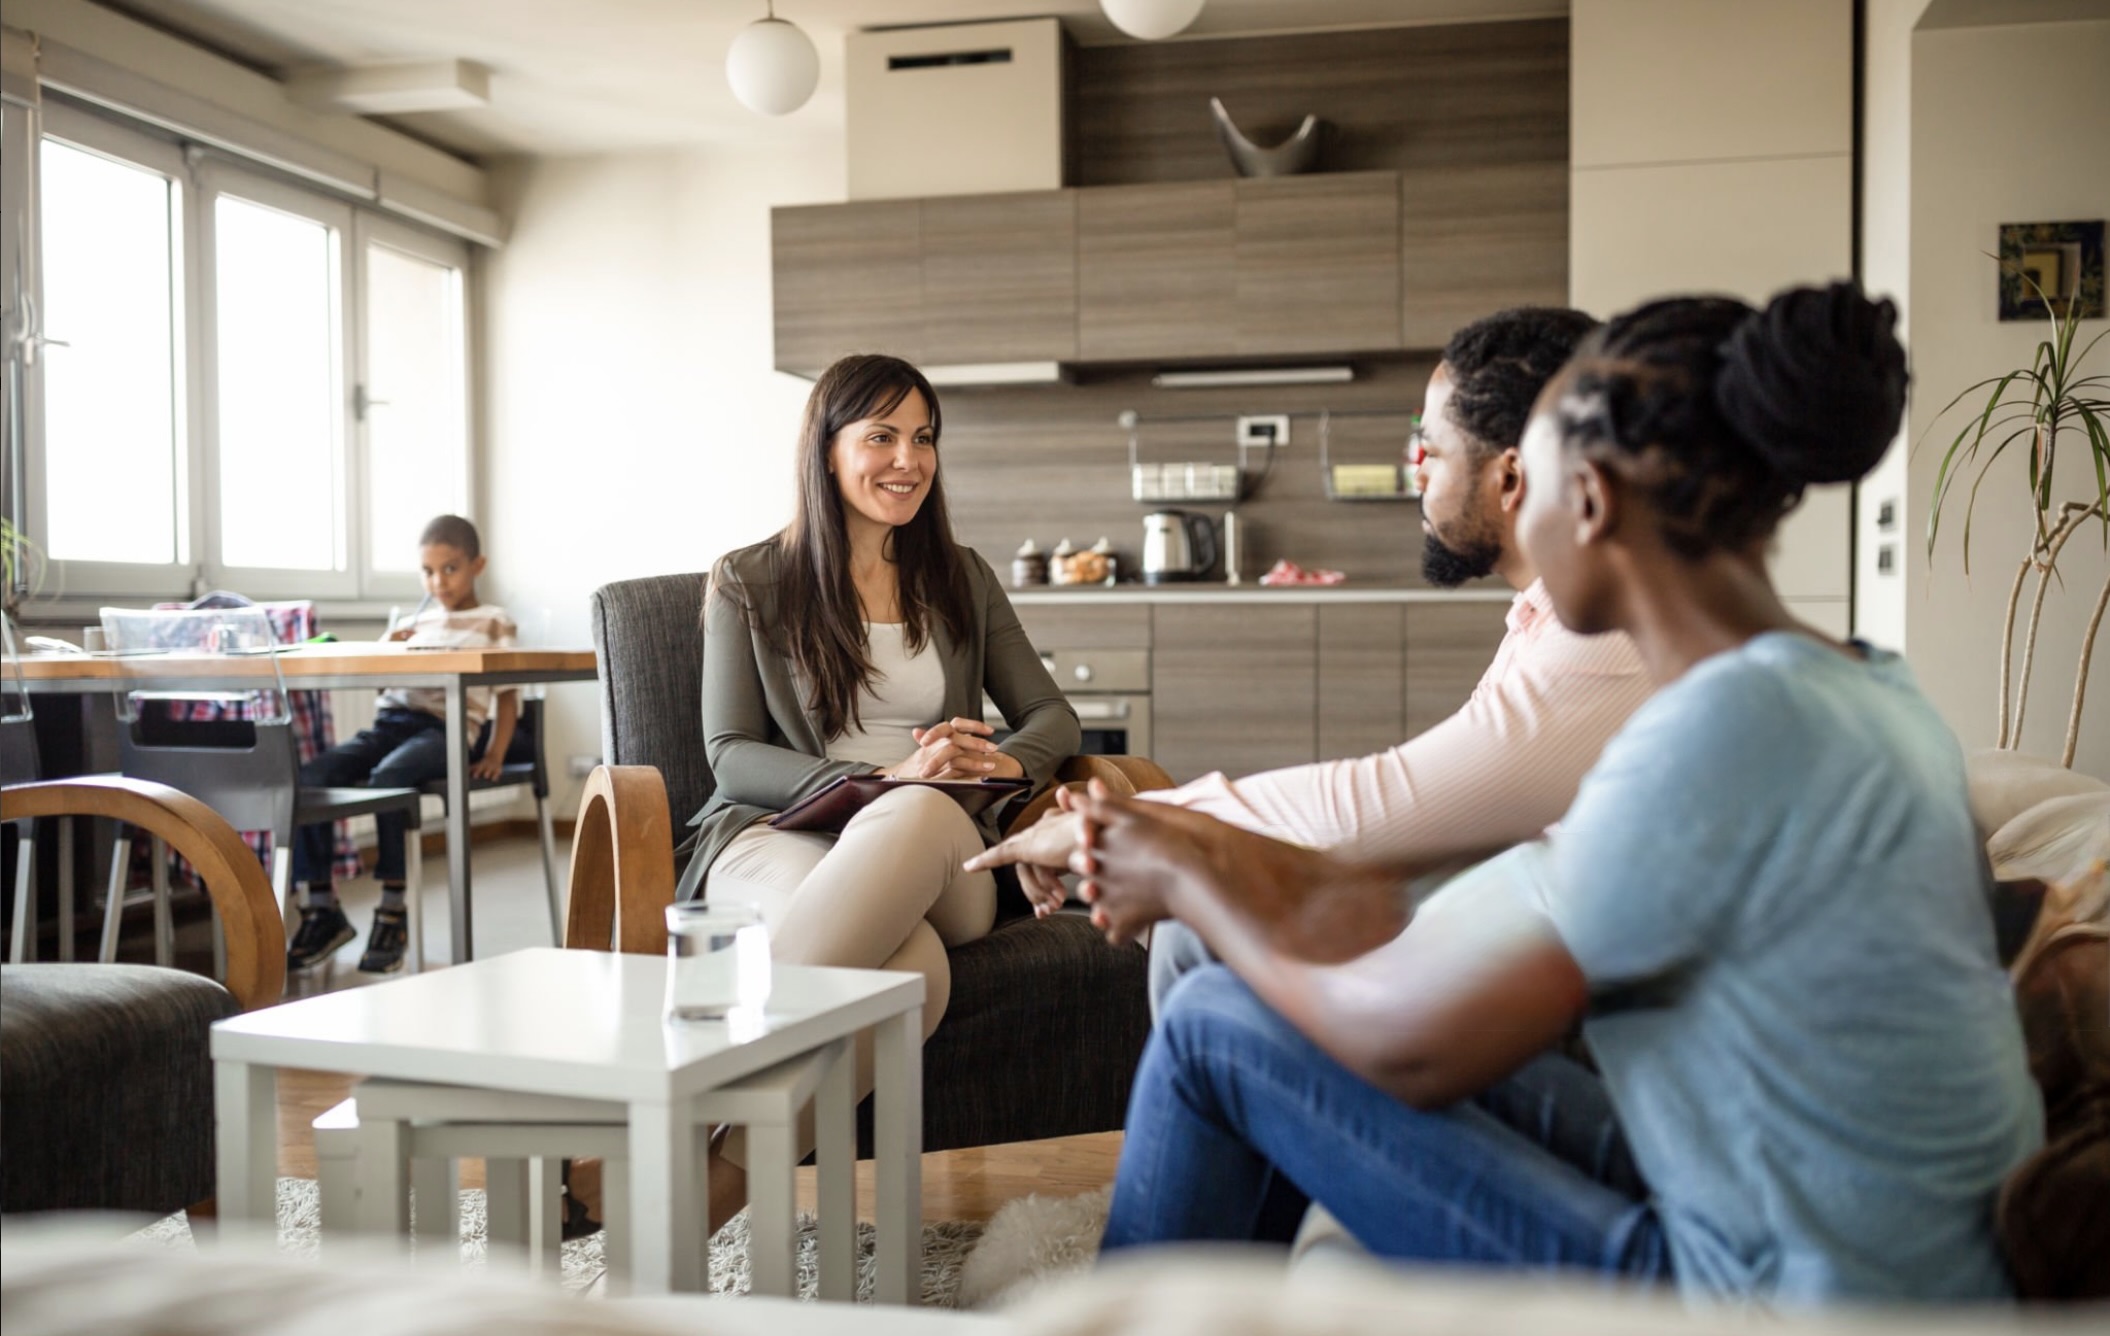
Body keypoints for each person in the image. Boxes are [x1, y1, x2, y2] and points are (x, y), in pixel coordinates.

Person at [1013, 285, 2042, 1305]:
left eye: (1531, 483)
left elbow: (1413, 1054)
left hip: (1771, 1293)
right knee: (1232, 995)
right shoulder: (1862, 684)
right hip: (1839, 1230)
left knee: (1209, 1026)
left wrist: (1193, 884)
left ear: (1585, 501)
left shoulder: (1716, 732)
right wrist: (1215, 868)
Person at [975, 307, 1652, 1010]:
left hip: (1538, 990)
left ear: (1509, 478)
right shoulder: (1547, 620)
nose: (1413, 468)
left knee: (1202, 918)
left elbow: (1397, 797)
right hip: (1502, 935)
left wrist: (1145, 820)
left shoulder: (1602, 635)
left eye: (1431, 447)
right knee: (1203, 912)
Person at [691, 352, 1080, 1230]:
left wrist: (996, 764)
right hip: (780, 832)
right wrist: (876, 777)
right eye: (882, 436)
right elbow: (731, 755)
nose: (908, 459)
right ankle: (694, 1204)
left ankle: (674, 1113)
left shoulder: (962, 577)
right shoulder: (749, 580)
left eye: (924, 438)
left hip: (940, 850)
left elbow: (1053, 717)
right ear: (827, 451)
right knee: (910, 976)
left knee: (912, 812)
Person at [287, 514, 527, 974]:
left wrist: (495, 753)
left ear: (477, 565)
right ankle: (321, 908)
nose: (438, 581)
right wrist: (387, 649)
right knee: (311, 776)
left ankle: (392, 909)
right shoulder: (417, 622)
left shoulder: (495, 621)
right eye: (428, 571)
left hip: (444, 728)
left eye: (450, 568)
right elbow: (383, 686)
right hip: (390, 724)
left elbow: (508, 693)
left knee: (389, 778)